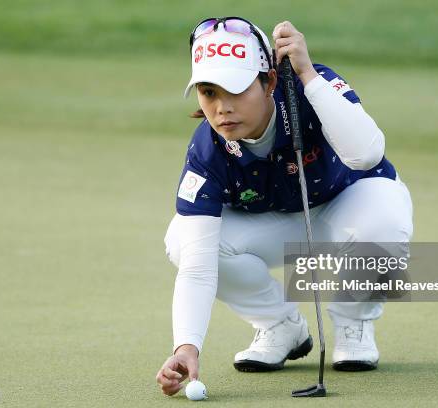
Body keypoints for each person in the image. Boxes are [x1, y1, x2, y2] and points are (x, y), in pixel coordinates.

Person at [156, 17, 413, 396]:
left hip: (350, 203)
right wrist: (186, 345)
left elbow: (367, 154)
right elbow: (196, 269)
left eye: (237, 89)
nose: (222, 108)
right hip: (278, 225)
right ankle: (281, 327)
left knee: (385, 223)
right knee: (182, 240)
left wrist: (307, 73)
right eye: (209, 92)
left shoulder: (312, 86)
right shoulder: (207, 152)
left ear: (269, 82)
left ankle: (352, 323)